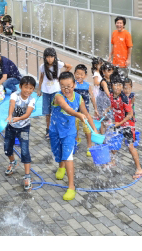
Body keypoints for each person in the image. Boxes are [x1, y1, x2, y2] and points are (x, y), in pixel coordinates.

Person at [49, 72, 96, 201]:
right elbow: (66, 108)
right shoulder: (58, 96)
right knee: (58, 153)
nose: (66, 90)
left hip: (69, 132)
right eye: (63, 86)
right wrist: (78, 115)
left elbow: (86, 114)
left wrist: (95, 130)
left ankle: (71, 186)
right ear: (59, 86)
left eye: (69, 86)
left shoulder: (79, 98)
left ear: (74, 84)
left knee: (68, 155)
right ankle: (61, 166)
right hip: (55, 130)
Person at [4, 76, 37, 190]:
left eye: (31, 88)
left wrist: (18, 119)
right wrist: (10, 115)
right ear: (20, 87)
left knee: (25, 150)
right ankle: (13, 162)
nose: (28, 90)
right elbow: (12, 105)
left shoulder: (32, 100)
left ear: (33, 89)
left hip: (24, 127)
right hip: (11, 126)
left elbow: (27, 114)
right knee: (7, 148)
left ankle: (27, 176)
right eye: (25, 87)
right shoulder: (15, 95)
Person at [109, 77, 142, 179]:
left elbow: (130, 114)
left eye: (120, 85)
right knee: (114, 142)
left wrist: (120, 122)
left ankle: (139, 169)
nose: (118, 87)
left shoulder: (124, 99)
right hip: (118, 123)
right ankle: (113, 161)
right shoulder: (111, 95)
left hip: (128, 125)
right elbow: (113, 105)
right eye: (116, 85)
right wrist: (106, 111)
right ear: (111, 86)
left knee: (130, 146)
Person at [37, 48, 72, 138]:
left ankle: (56, 128)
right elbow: (41, 78)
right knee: (47, 112)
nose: (49, 59)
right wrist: (39, 89)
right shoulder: (42, 66)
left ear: (54, 57)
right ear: (45, 58)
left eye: (51, 57)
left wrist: (62, 76)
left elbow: (69, 66)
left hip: (56, 91)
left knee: (56, 111)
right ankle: (48, 129)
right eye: (47, 57)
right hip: (46, 91)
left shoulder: (59, 64)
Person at [73, 64, 94, 157]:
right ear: (74, 74)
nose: (79, 76)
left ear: (85, 76)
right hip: (74, 111)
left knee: (87, 128)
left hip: (85, 111)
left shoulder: (87, 85)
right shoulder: (72, 84)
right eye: (77, 74)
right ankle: (76, 139)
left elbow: (92, 97)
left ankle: (89, 146)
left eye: (81, 74)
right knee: (74, 127)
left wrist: (96, 108)